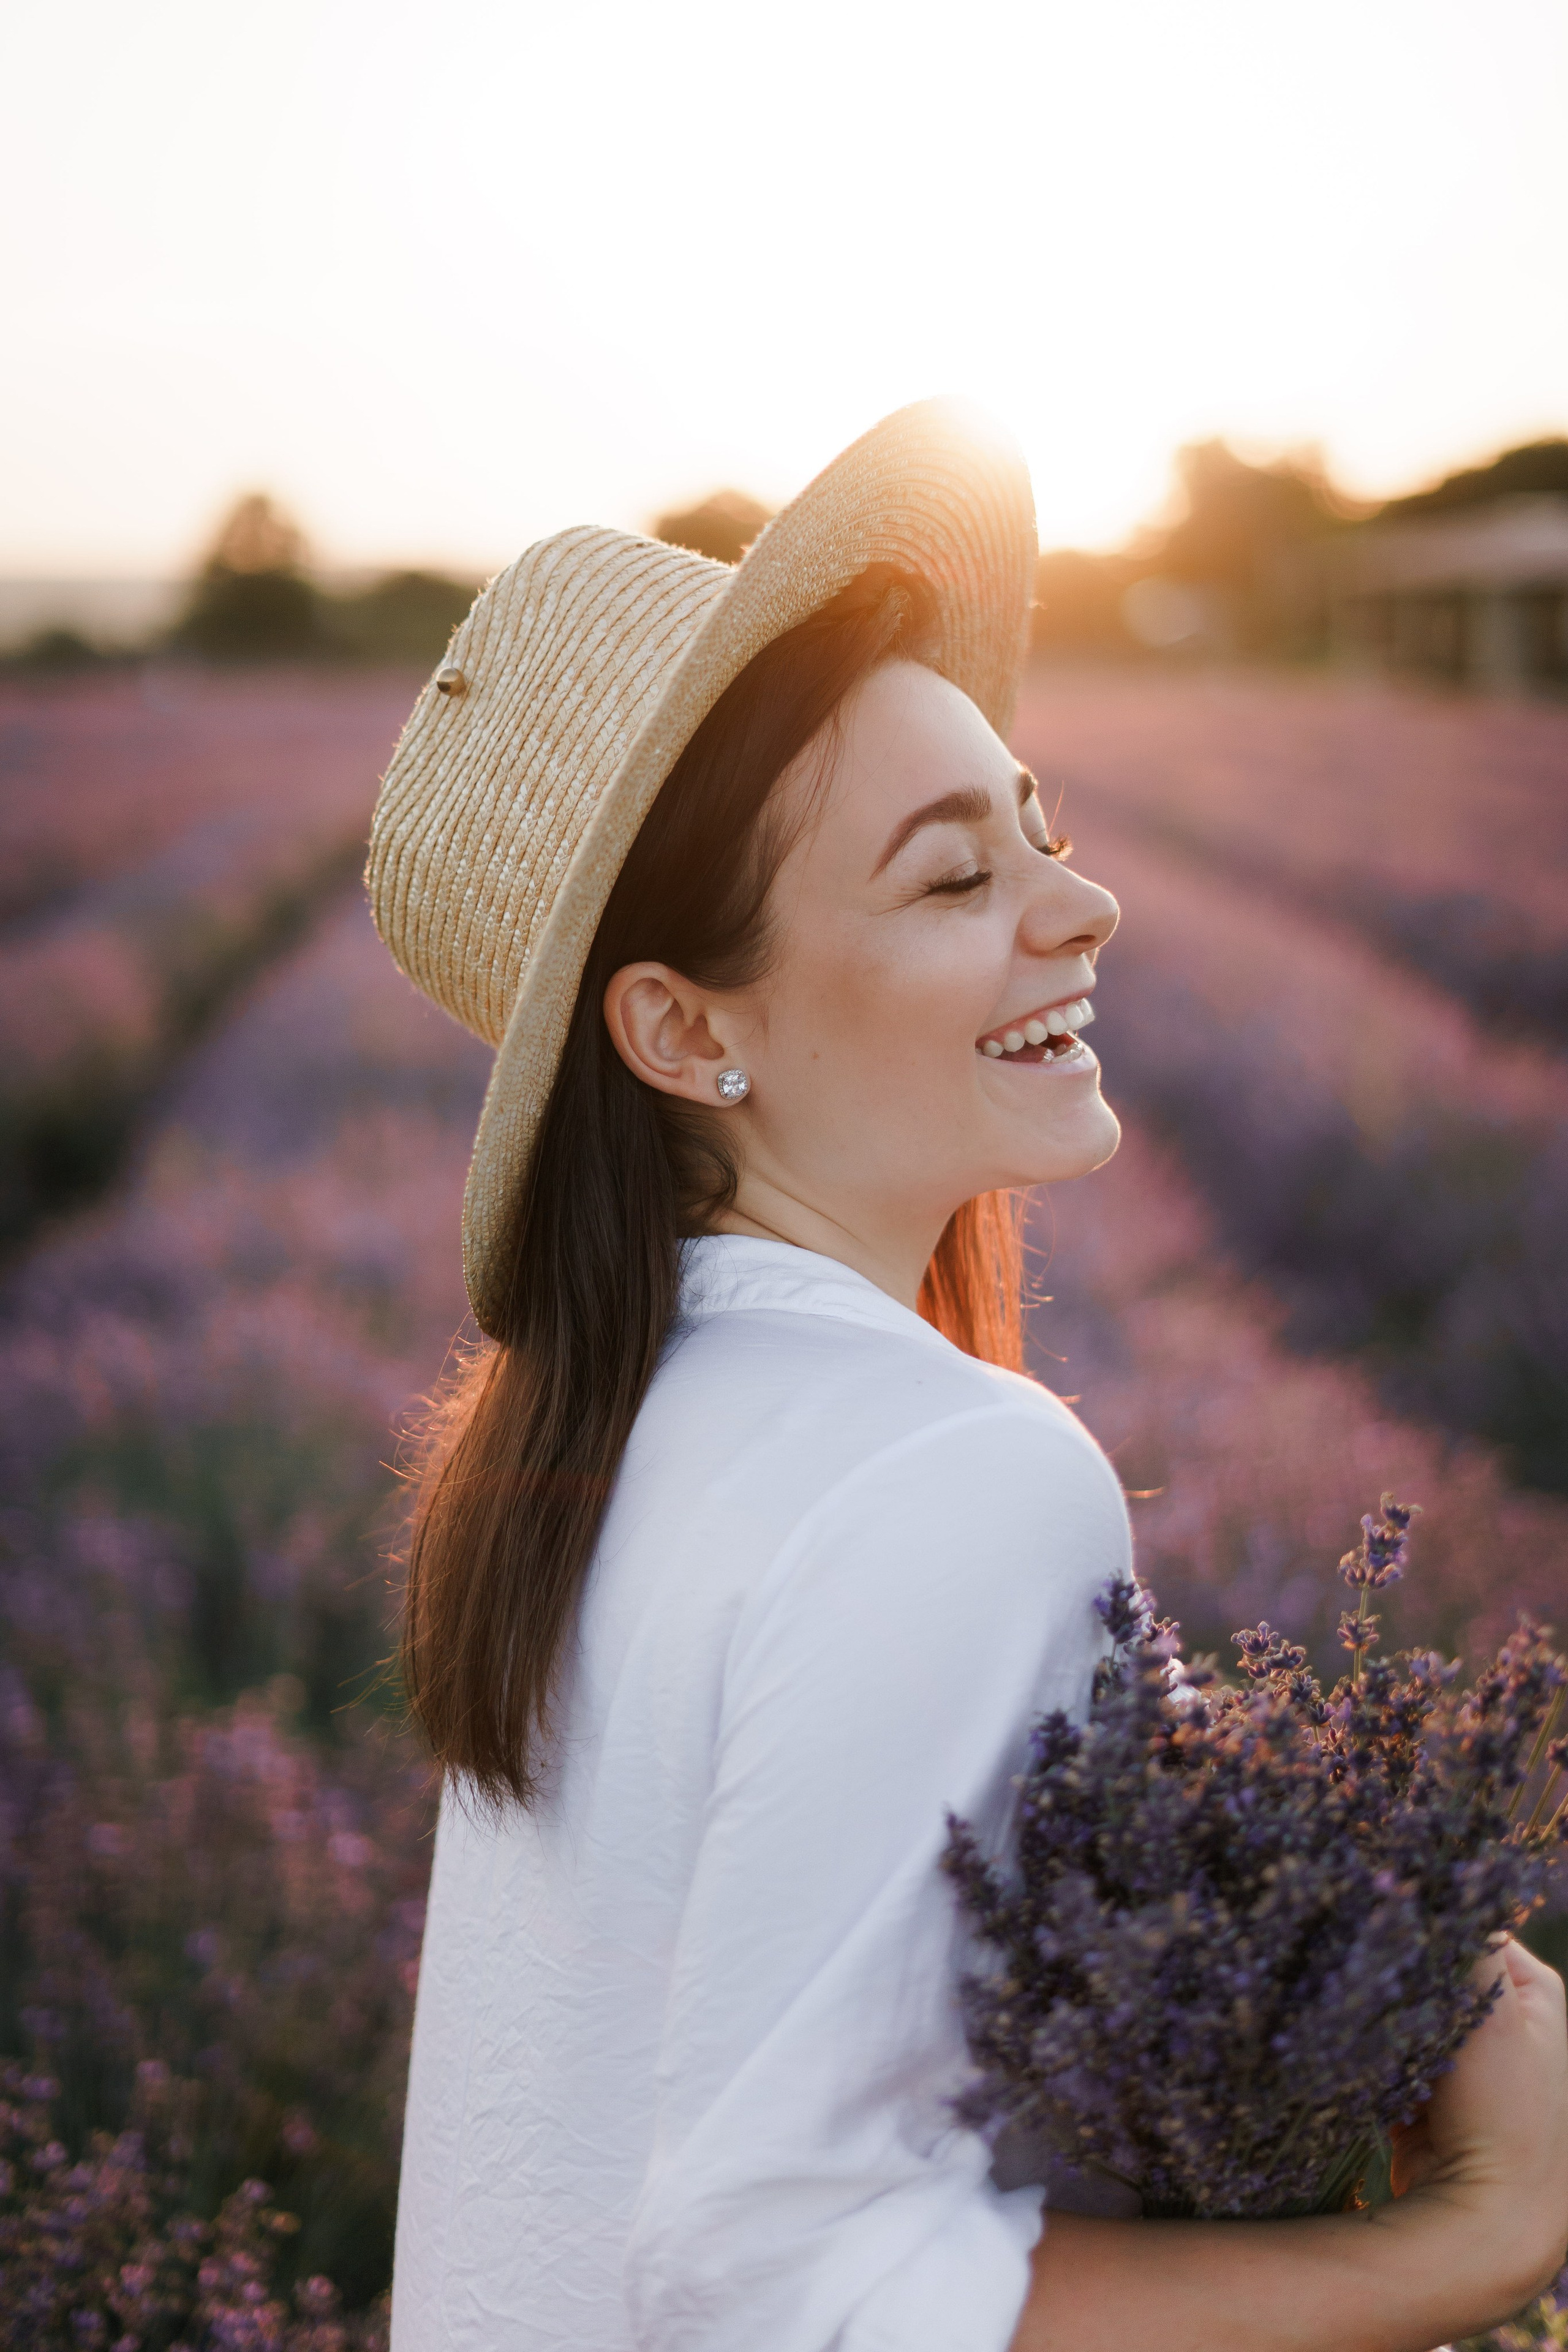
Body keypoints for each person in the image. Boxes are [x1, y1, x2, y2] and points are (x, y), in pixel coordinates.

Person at [367, 402, 1568, 2352]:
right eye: (948, 880)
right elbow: (795, 2278)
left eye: (1045, 827)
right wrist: (1483, 2239)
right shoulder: (942, 1474)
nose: (1080, 909)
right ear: (683, 1028)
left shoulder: (603, 1445)